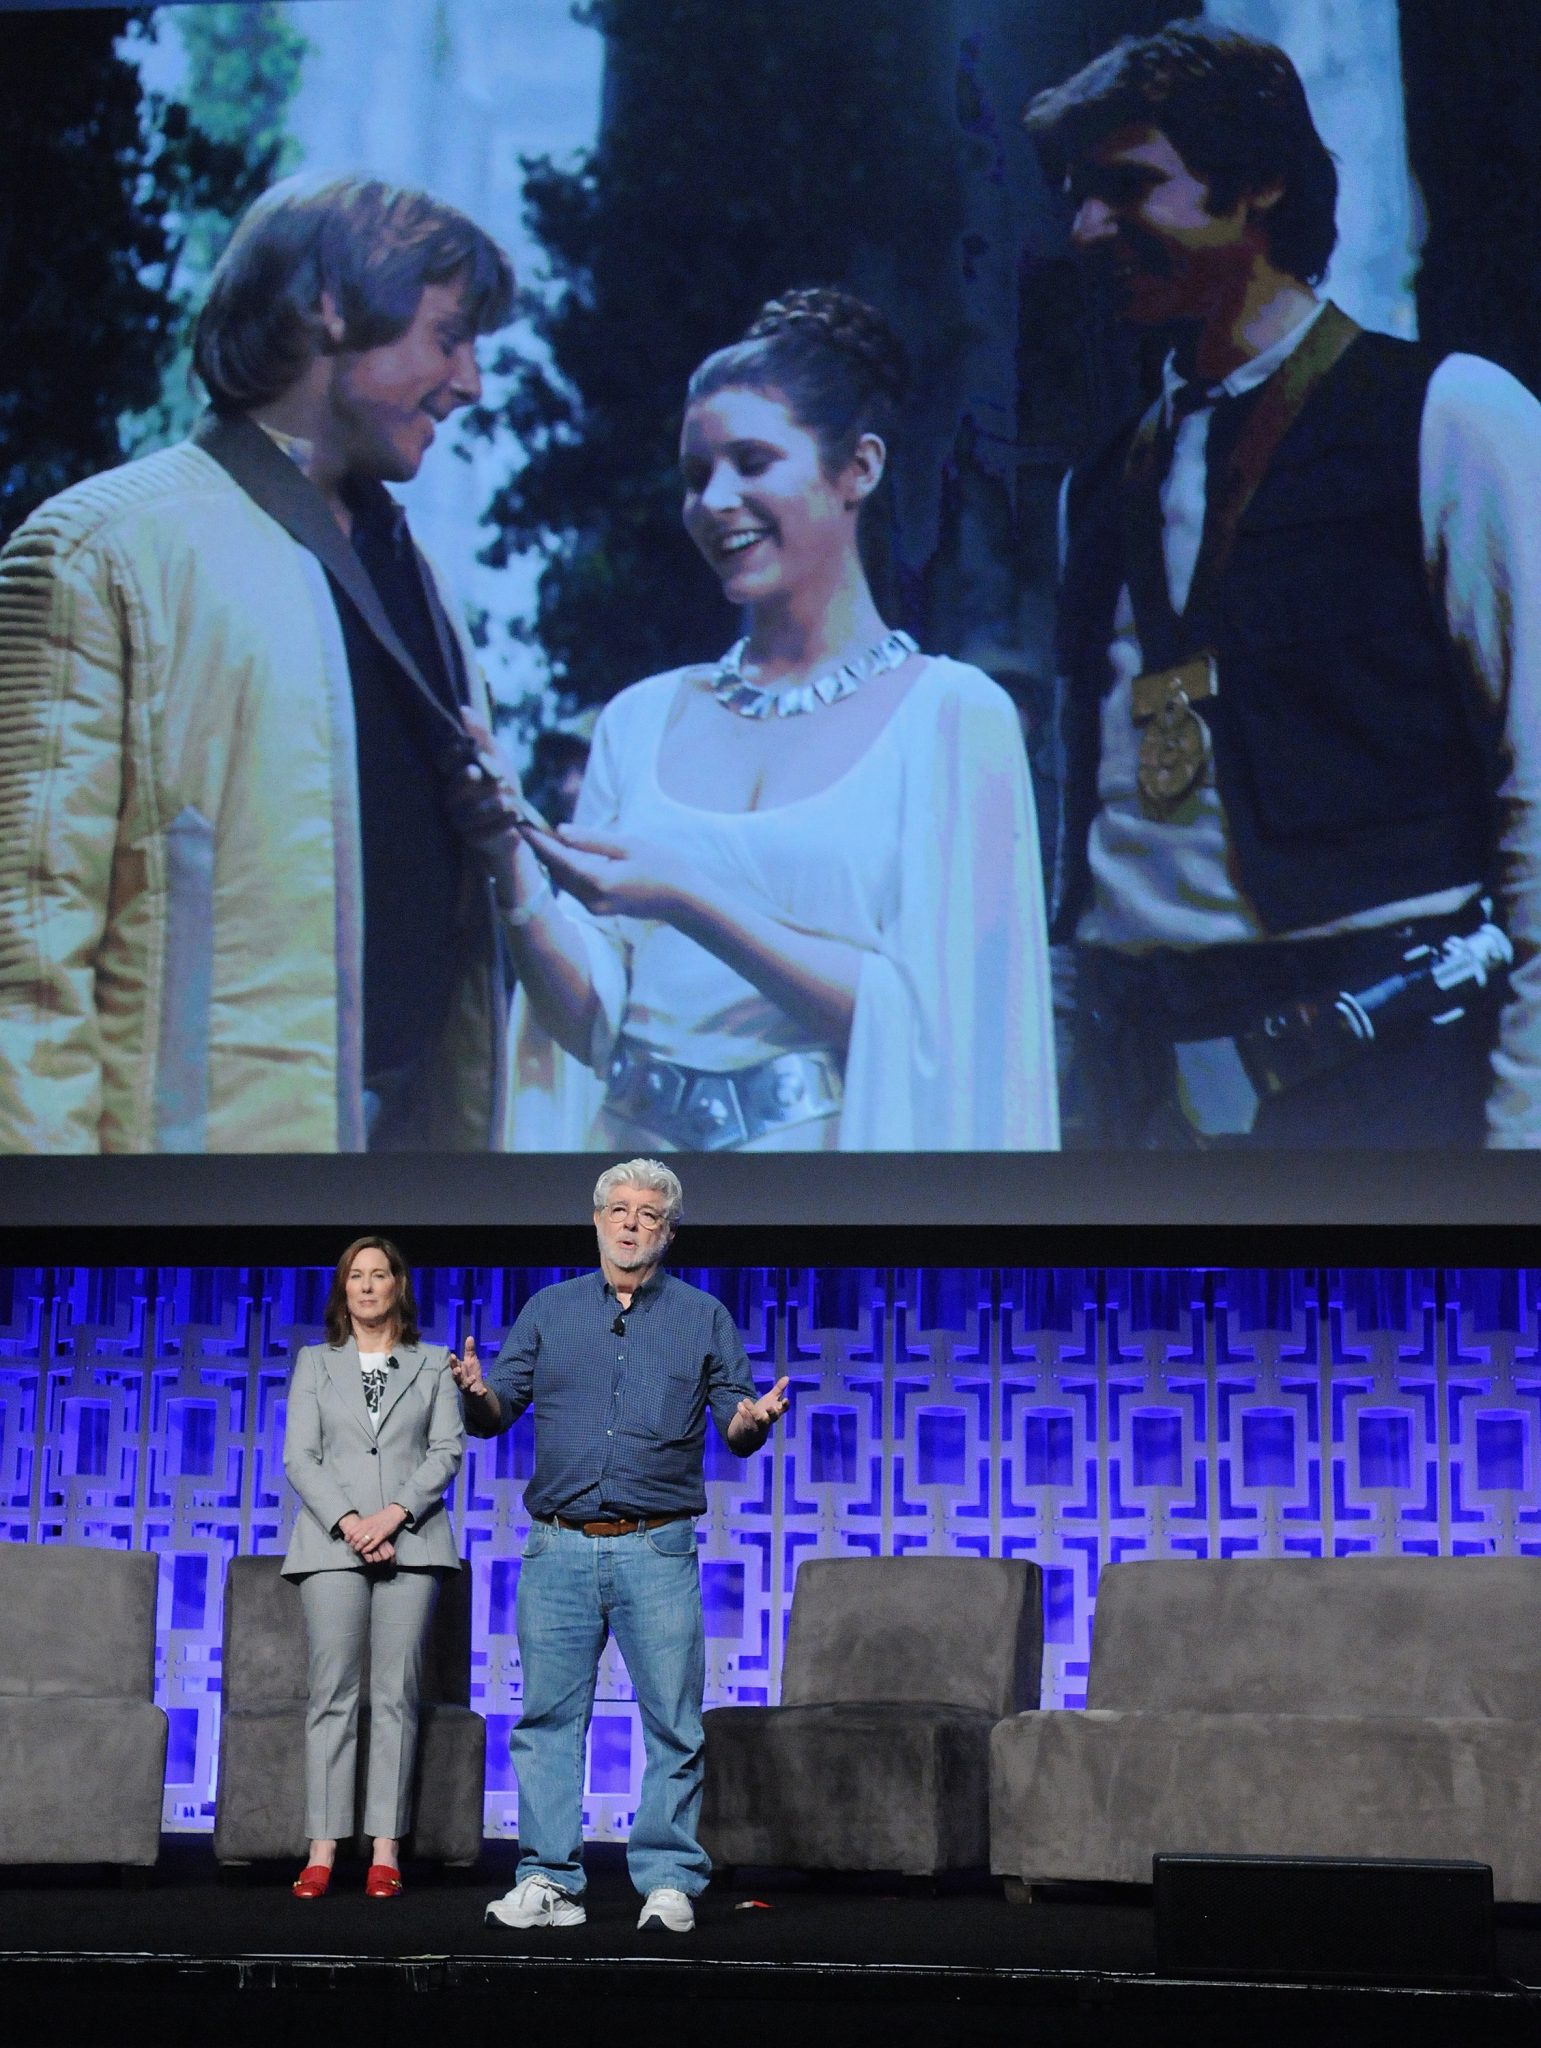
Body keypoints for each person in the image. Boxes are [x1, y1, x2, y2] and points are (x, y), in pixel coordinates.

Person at [1025, 26, 1541, 1148]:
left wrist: (1520, 1147)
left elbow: (1536, 793)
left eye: (1127, 187)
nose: (1085, 230)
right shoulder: (1097, 488)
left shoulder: (1452, 416)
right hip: (1137, 1093)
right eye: (1076, 198)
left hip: (1385, 1081)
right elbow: (1083, 838)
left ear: (1258, 181)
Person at [0, 175, 516, 1153]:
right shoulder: (102, 550)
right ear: (330, 304)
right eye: (448, 336)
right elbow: (26, 960)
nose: (469, 382)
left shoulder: (417, 579)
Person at [482, 287, 1058, 1153]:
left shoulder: (949, 717)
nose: (714, 501)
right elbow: (586, 1025)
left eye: (751, 463)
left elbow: (947, 1031)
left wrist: (686, 895)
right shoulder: (639, 719)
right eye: (695, 477)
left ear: (858, 468)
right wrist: (508, 858)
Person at [451, 1158, 788, 1932]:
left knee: (673, 1723)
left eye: (649, 1214)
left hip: (656, 1549)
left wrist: (751, 1422)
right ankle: (547, 1879)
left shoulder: (703, 1317)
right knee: (545, 1722)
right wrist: (474, 1393)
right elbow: (496, 1412)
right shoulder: (550, 1309)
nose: (632, 1224)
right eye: (620, 1210)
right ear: (597, 1220)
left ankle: (668, 1880)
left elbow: (736, 1425)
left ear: (668, 1232)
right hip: (557, 1548)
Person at [281, 1234, 465, 1898]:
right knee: (331, 1694)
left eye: (378, 1274)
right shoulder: (314, 1362)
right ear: (343, 1289)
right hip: (331, 1543)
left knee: (396, 1697)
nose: (365, 1285)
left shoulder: (433, 1363)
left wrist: (392, 1516)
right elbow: (300, 1456)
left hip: (411, 1542)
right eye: (354, 1275)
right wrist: (351, 1523)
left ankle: (385, 1848)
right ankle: (323, 1848)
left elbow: (446, 1451)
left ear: (397, 1286)